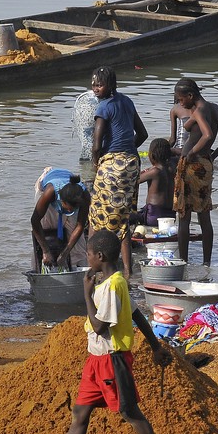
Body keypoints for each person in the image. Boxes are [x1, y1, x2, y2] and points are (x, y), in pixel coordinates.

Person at [26, 230, 176, 434]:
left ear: (100, 256)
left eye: (89, 254)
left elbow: (98, 326)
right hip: (96, 361)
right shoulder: (114, 282)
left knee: (130, 412)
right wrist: (155, 346)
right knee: (80, 413)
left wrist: (85, 294)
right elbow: (137, 314)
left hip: (112, 360)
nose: (87, 258)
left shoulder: (111, 286)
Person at [87, 66, 148, 279]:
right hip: (131, 163)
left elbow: (95, 145)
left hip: (112, 167)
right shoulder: (127, 101)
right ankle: (128, 273)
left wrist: (98, 163)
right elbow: (142, 133)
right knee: (122, 221)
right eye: (93, 85)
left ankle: (92, 271)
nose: (95, 88)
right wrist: (126, 149)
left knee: (96, 217)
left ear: (110, 85)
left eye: (99, 84)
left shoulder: (104, 108)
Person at [172, 77, 218, 266]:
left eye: (181, 99)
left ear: (191, 95)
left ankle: (182, 262)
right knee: (204, 213)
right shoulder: (214, 108)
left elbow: (207, 135)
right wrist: (214, 155)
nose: (180, 102)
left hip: (191, 167)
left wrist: (192, 152)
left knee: (184, 216)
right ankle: (206, 263)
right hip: (205, 165)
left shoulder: (199, 111)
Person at [30, 167, 90, 272]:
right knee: (46, 231)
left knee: (77, 242)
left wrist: (65, 253)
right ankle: (38, 269)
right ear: (62, 201)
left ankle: (77, 269)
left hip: (68, 188)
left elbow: (80, 225)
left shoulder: (84, 195)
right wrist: (46, 251)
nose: (70, 210)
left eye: (74, 209)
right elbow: (35, 221)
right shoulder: (50, 192)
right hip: (48, 185)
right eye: (68, 208)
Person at [136, 138, 177, 226]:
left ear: (152, 156)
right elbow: (183, 152)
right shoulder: (173, 167)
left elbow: (133, 181)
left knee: (129, 217)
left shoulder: (154, 171)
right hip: (171, 215)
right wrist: (171, 151)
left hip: (154, 216)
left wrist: (144, 171)